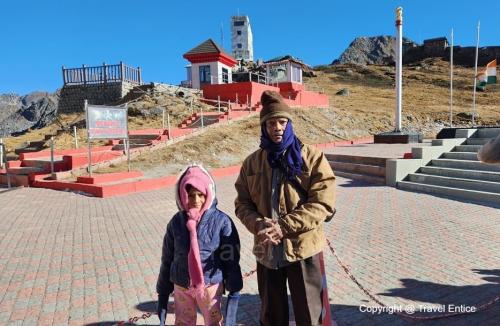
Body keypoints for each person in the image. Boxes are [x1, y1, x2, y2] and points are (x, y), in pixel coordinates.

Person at [234, 90, 336, 325]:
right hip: (267, 251)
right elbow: (242, 203)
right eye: (271, 123)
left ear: (289, 124)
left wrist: (283, 226)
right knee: (271, 314)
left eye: (282, 122)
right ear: (264, 127)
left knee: (309, 313)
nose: (277, 128)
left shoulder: (311, 157)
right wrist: (258, 225)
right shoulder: (252, 162)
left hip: (303, 248)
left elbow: (323, 202)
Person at [156, 164, 243, 325]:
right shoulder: (176, 222)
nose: (196, 200)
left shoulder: (222, 222)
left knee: (214, 321)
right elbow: (167, 258)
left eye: (200, 194)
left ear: (208, 193)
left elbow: (231, 258)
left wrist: (234, 286)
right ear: (182, 195)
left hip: (210, 285)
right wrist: (163, 290)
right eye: (190, 195)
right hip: (182, 285)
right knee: (183, 321)